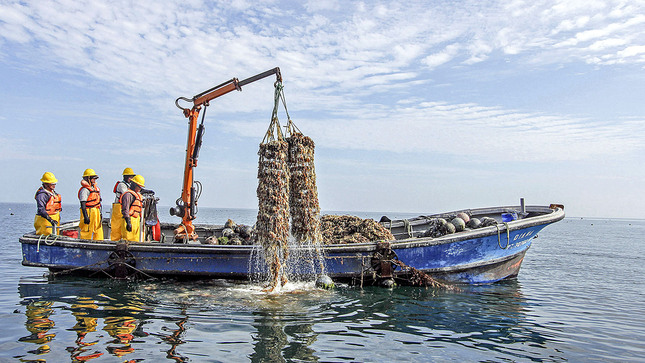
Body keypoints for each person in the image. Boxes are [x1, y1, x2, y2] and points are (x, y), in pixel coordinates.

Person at [110, 167, 135, 241]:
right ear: (125, 177)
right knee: (116, 227)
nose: (131, 178)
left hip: (125, 208)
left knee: (124, 227)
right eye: (129, 177)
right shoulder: (122, 185)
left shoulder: (130, 186)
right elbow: (126, 194)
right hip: (118, 208)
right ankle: (114, 241)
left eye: (132, 177)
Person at [78, 168, 104, 240]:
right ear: (88, 178)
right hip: (88, 211)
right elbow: (83, 204)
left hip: (96, 211)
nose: (94, 180)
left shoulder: (95, 189)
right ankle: (84, 244)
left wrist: (100, 214)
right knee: (87, 230)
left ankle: (99, 243)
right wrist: (86, 216)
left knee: (98, 230)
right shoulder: (84, 190)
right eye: (93, 178)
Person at [120, 174, 145, 242]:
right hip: (129, 220)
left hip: (135, 221)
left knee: (135, 241)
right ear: (134, 185)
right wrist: (128, 222)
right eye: (139, 187)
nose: (140, 189)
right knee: (127, 240)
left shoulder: (137, 195)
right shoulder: (128, 195)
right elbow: (125, 209)